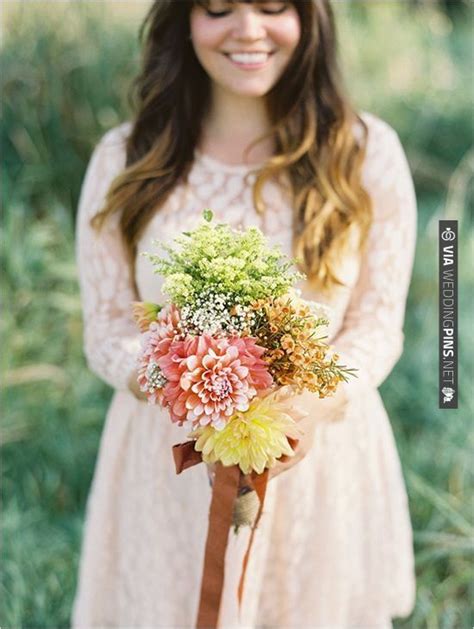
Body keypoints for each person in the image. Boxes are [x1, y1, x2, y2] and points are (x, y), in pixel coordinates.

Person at [72, 1, 417, 627]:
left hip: (318, 459)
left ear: (310, 17)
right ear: (185, 20)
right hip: (166, 462)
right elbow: (104, 328)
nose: (248, 29)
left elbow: (377, 324)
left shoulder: (365, 154)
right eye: (219, 7)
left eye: (272, 5)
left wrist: (301, 409)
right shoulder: (125, 158)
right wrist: (187, 385)